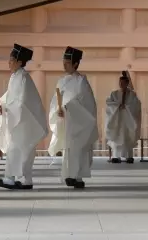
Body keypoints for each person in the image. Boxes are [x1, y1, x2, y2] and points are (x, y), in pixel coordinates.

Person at [0, 44, 48, 190]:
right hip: (17, 120)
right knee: (16, 150)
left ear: (19, 62)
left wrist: (9, 108)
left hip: (23, 121)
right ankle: (16, 178)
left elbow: (23, 102)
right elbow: (9, 98)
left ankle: (19, 179)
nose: (9, 63)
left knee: (22, 150)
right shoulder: (14, 77)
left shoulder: (24, 78)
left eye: (11, 60)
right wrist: (2, 106)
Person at [47, 46, 98, 189]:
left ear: (75, 64)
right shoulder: (61, 81)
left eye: (67, 63)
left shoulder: (82, 81)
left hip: (78, 122)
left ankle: (78, 177)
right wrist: (58, 109)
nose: (64, 65)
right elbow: (54, 100)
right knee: (68, 150)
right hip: (66, 121)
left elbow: (87, 104)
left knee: (78, 149)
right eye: (63, 62)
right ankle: (69, 175)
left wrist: (70, 107)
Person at [105, 71, 141, 164]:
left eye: (123, 83)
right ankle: (116, 156)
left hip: (128, 119)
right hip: (117, 118)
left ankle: (129, 156)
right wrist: (117, 106)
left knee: (128, 136)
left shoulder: (132, 94)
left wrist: (127, 107)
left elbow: (136, 104)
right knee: (117, 136)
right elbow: (109, 103)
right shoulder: (114, 94)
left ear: (127, 83)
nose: (121, 85)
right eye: (120, 83)